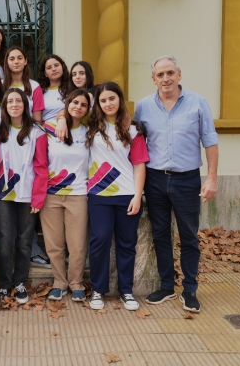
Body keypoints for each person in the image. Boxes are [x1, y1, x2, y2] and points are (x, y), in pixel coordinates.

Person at [134, 55, 219, 313]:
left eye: (170, 73)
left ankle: (190, 289)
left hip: (187, 179)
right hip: (155, 179)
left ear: (179, 75)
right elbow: (138, 145)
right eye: (160, 75)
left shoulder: (197, 103)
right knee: (161, 234)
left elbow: (211, 142)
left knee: (189, 235)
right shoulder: (143, 106)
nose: (165, 79)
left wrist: (212, 178)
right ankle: (167, 285)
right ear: (153, 79)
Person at [86, 81, 149, 311]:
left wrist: (137, 195)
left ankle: (126, 291)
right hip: (99, 195)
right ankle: (98, 290)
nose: (108, 103)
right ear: (98, 104)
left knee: (126, 244)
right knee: (100, 241)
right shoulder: (90, 126)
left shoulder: (133, 129)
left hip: (127, 195)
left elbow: (140, 165)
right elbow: (71, 109)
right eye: (103, 100)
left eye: (112, 98)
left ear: (119, 99)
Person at [0, 88, 48, 304]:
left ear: (25, 105)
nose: (14, 104)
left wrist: (38, 197)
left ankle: (20, 282)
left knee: (25, 241)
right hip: (3, 193)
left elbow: (42, 166)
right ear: (5, 106)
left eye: (19, 101)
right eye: (10, 101)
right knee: (5, 241)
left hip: (27, 194)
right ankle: (4, 285)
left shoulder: (37, 131)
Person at [40, 90, 90, 302]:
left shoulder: (90, 133)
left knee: (77, 243)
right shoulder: (49, 128)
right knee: (54, 243)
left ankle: (76, 282)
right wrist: (60, 119)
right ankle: (59, 282)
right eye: (74, 102)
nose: (78, 106)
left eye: (83, 104)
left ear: (88, 110)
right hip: (51, 194)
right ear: (67, 104)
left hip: (78, 194)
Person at [2, 46, 44, 121]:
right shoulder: (0, 85)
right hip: (4, 130)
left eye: (20, 58)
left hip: (28, 130)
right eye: (12, 59)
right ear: (7, 62)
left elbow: (37, 119)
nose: (16, 62)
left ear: (25, 61)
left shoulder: (35, 86)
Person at [37, 54, 71, 122]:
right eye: (49, 68)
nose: (54, 69)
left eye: (56, 65)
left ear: (62, 67)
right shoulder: (40, 91)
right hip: (45, 130)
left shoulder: (72, 88)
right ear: (45, 73)